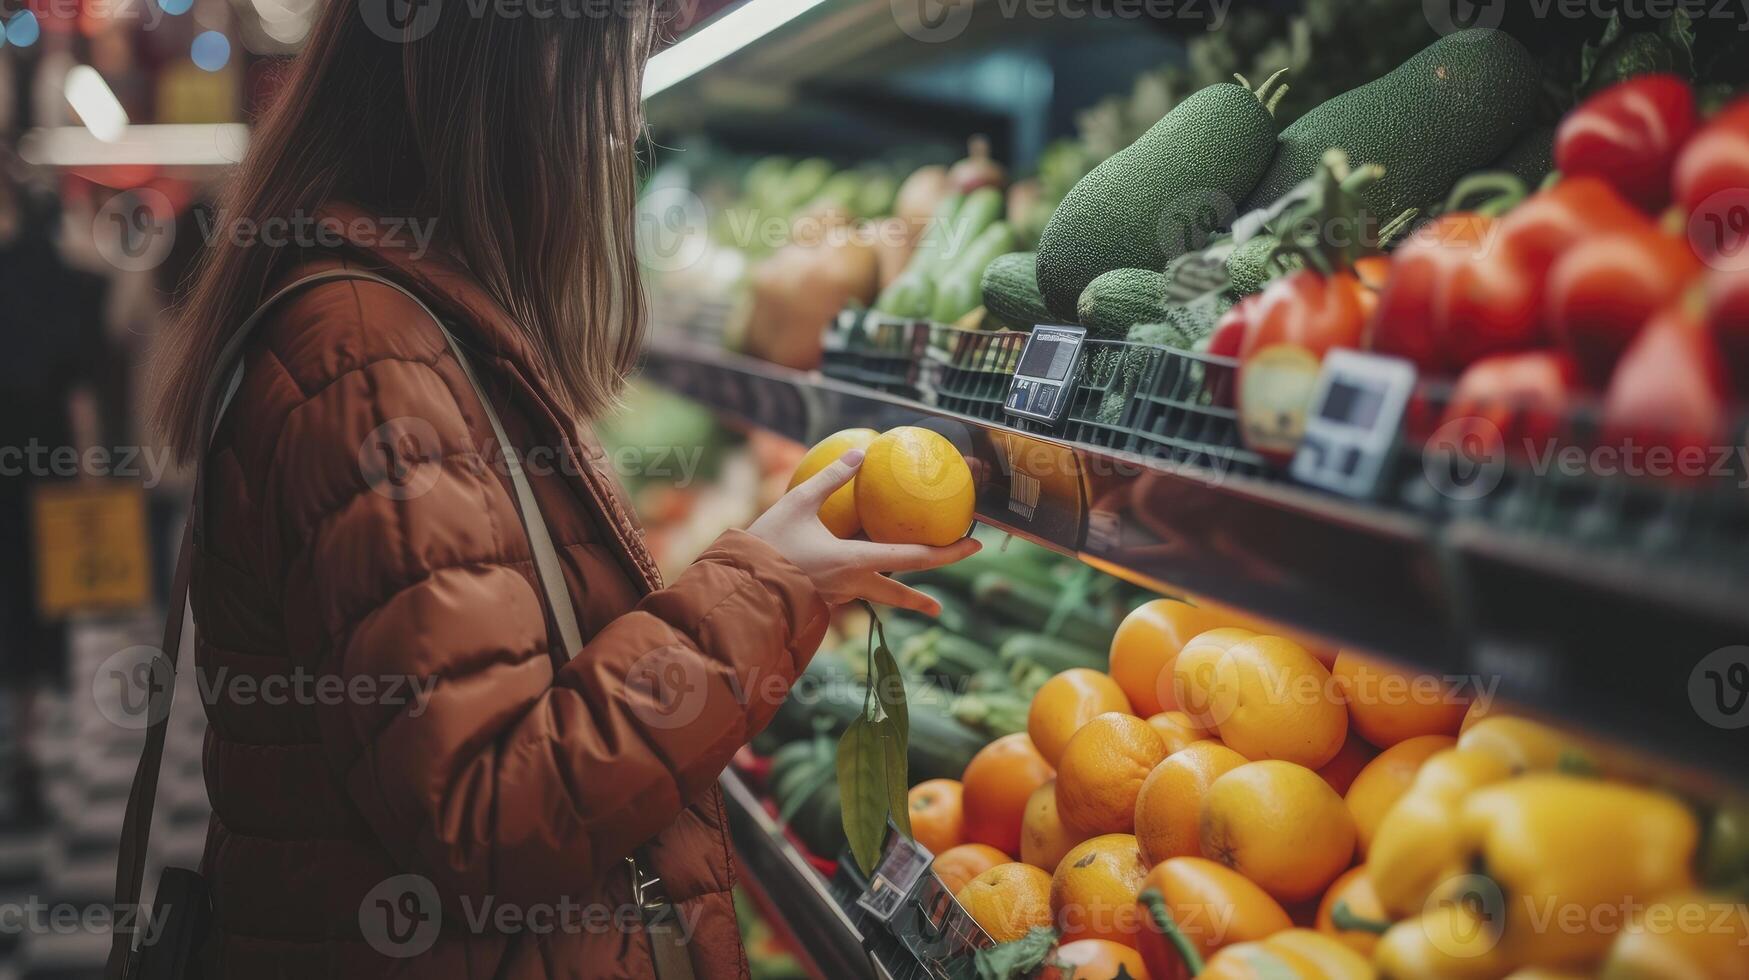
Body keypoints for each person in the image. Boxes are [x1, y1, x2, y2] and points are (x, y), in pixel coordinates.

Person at [145, 4, 977, 978]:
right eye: (606, 76)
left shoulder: (405, 318)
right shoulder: (372, 362)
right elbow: (488, 817)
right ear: (512, 72)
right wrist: (762, 588)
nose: (617, 127)